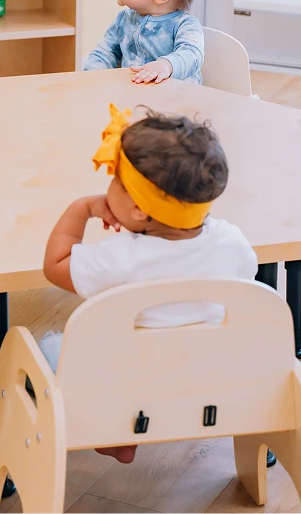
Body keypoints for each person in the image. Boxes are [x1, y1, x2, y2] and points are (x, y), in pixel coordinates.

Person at [41, 105, 258, 463]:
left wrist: (82, 209)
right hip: (207, 382)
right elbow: (245, 279)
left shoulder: (120, 257)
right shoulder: (232, 242)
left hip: (128, 387)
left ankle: (116, 434)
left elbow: (55, 266)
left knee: (49, 347)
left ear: (140, 209)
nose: (109, 186)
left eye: (115, 180)